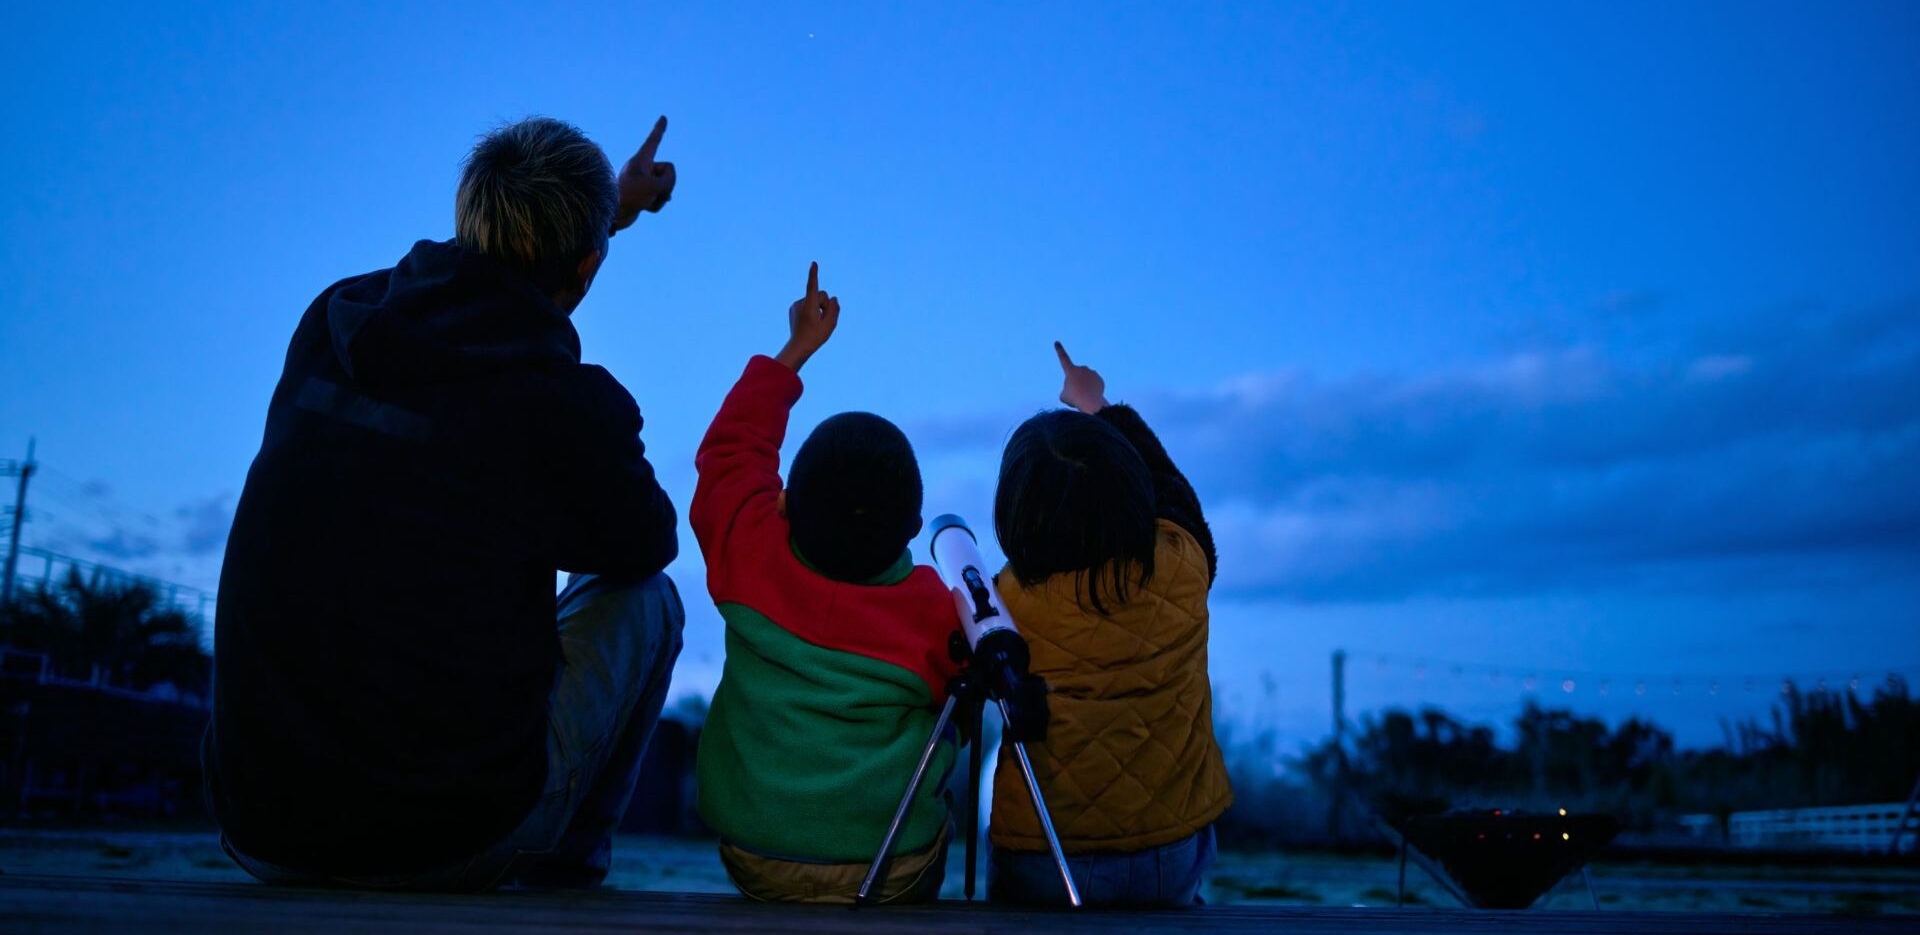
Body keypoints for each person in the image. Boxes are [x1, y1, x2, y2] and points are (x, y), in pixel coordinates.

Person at [206, 115, 686, 891]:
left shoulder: (336, 321)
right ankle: (562, 867)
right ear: (588, 268)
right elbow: (645, 543)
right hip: (446, 841)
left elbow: (489, 273)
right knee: (649, 600)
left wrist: (609, 215)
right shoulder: (563, 408)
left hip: (259, 825)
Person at [689, 264, 960, 904]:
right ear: (914, 528)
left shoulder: (747, 551)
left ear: (784, 502)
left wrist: (795, 352)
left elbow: (730, 453)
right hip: (892, 867)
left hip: (756, 856)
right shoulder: (933, 610)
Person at [985, 342, 1232, 907]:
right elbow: (1172, 488)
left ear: (1016, 514)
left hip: (1042, 854)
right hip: (1168, 856)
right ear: (1133, 493)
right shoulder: (1183, 564)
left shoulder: (1005, 604)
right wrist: (1097, 406)